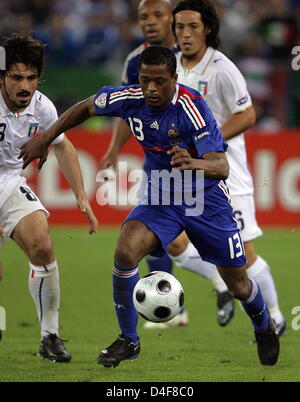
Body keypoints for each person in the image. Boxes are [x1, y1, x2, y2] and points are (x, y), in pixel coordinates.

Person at [20, 46, 280, 368]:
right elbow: (86, 108)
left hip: (205, 201)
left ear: (174, 79)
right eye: (145, 80)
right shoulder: (130, 98)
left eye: (159, 81)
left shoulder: (191, 108)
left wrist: (194, 161)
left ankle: (263, 324)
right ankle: (129, 340)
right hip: (162, 199)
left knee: (238, 285)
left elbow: (221, 167)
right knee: (125, 252)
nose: (151, 89)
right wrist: (47, 138)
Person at [168, 0, 286, 335]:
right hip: (187, 176)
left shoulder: (222, 68)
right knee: (174, 244)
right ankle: (221, 285)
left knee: (244, 256)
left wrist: (210, 141)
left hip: (226, 176)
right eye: (180, 27)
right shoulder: (172, 66)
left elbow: (247, 114)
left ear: (207, 28)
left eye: (193, 27)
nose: (186, 34)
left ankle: (275, 315)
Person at [0, 33, 98, 361]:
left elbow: (63, 145)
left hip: (9, 182)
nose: (24, 86)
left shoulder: (42, 107)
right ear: (2, 76)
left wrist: (81, 196)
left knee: (42, 245)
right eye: (16, 77)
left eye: (31, 77)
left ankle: (49, 337)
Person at [99, 0, 190, 329]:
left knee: (191, 238)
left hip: (198, 162)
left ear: (173, 19)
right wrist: (112, 149)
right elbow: (127, 108)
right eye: (143, 17)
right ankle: (170, 306)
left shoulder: (192, 55)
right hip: (158, 162)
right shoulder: (135, 61)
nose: (150, 22)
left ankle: (225, 285)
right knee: (153, 232)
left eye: (157, 15)